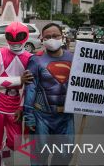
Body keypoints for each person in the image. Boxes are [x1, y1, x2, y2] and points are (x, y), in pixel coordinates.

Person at [23, 23, 74, 166]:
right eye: (48, 37)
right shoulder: (35, 60)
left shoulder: (74, 59)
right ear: (42, 40)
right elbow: (30, 89)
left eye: (55, 36)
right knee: (39, 156)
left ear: (62, 37)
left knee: (65, 154)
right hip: (42, 116)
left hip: (66, 117)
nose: (52, 39)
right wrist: (29, 117)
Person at [0, 22, 33, 166]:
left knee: (15, 142)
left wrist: (21, 107)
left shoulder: (30, 58)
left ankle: (4, 154)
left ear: (25, 37)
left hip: (16, 104)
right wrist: (18, 80)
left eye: (18, 37)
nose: (15, 42)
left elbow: (29, 87)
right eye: (11, 38)